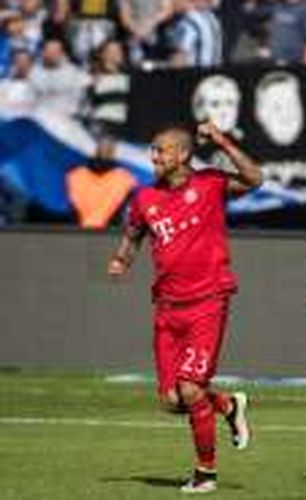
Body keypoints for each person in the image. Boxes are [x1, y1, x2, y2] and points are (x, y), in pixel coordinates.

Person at [107, 121, 263, 493]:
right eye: (153, 150)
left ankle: (205, 474)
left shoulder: (210, 183)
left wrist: (223, 139)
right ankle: (227, 406)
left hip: (208, 301)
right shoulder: (145, 199)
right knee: (172, 400)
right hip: (167, 307)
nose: (154, 156)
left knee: (191, 390)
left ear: (183, 154)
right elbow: (132, 237)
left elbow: (255, 178)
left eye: (161, 150)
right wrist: (121, 261)